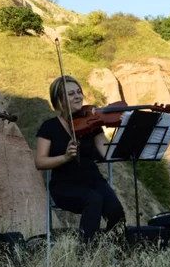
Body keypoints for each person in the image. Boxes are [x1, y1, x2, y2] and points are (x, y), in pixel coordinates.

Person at [35, 75, 125, 243]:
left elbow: (106, 153)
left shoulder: (91, 124)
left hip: (93, 180)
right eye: (70, 94)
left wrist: (124, 131)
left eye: (79, 92)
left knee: (116, 211)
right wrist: (65, 157)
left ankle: (119, 258)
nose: (77, 96)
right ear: (59, 100)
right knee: (94, 200)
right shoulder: (49, 127)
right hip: (64, 186)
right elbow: (40, 162)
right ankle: (85, 255)